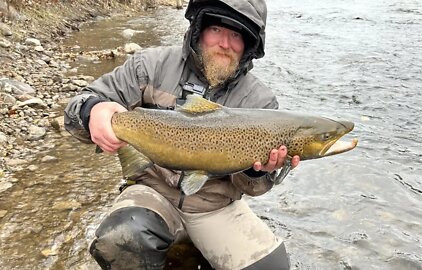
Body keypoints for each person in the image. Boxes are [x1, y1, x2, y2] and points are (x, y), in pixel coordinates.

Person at [64, 0, 300, 269]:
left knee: (272, 267)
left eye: (236, 35)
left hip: (215, 207)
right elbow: (77, 108)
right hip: (152, 193)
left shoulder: (261, 101)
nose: (225, 43)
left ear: (249, 45)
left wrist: (257, 172)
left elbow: (255, 187)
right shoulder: (150, 65)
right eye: (216, 29)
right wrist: (92, 111)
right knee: (120, 238)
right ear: (199, 30)